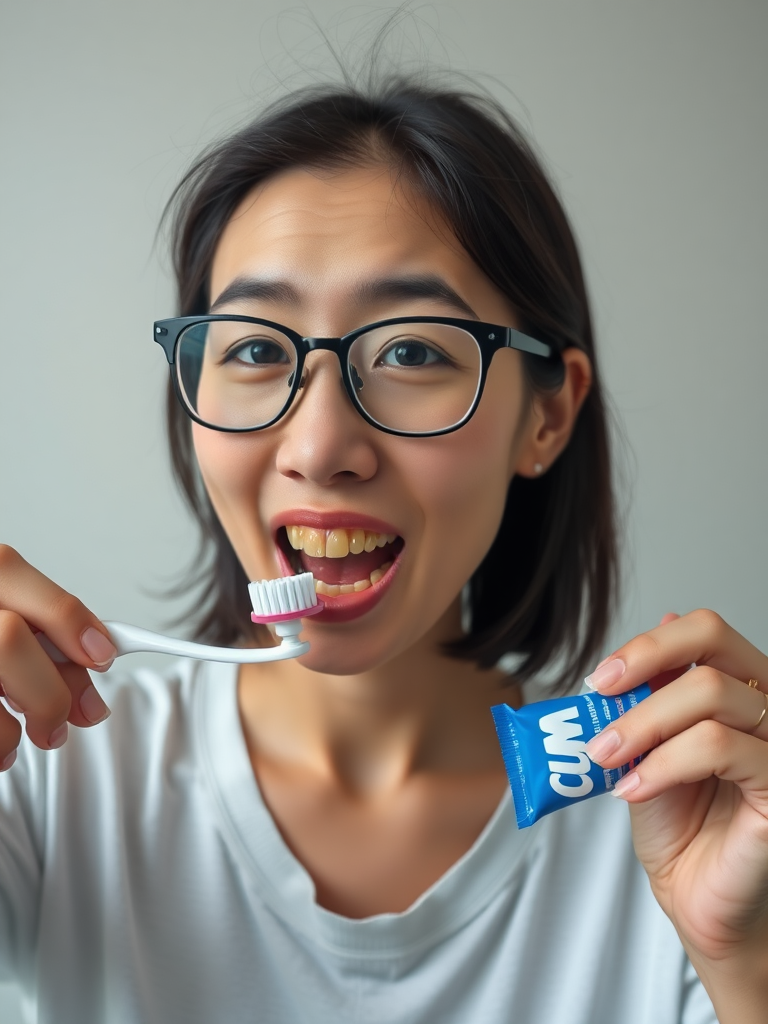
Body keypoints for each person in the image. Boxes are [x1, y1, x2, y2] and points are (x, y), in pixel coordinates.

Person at [0, 77, 766, 1024]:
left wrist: (749, 969)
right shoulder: (46, 765)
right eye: (251, 348)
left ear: (549, 414)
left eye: (411, 352)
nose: (320, 448)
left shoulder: (683, 832)